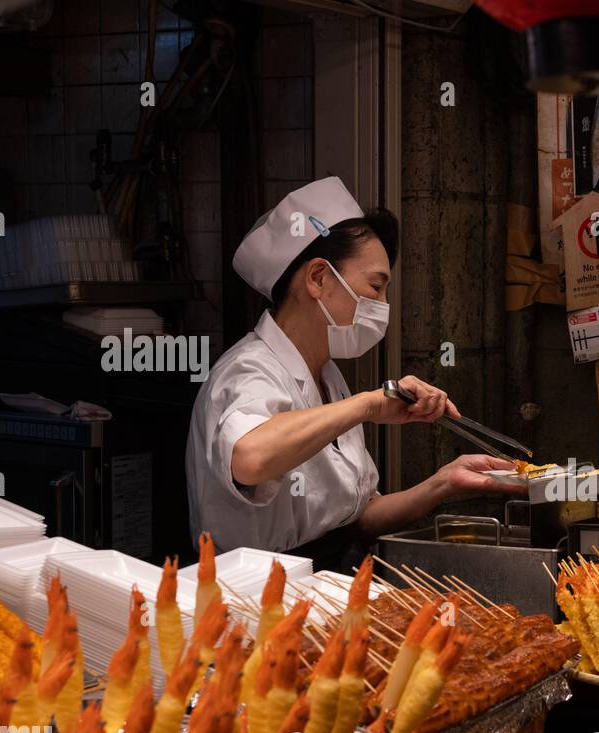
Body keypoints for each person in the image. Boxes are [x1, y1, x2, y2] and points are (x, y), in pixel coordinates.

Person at [186, 177, 517, 570]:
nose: (383, 304)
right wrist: (368, 404)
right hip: (258, 594)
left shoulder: (328, 378)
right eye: (375, 286)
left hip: (331, 579)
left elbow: (359, 518)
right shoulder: (247, 370)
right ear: (318, 279)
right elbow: (250, 457)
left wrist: (444, 482)